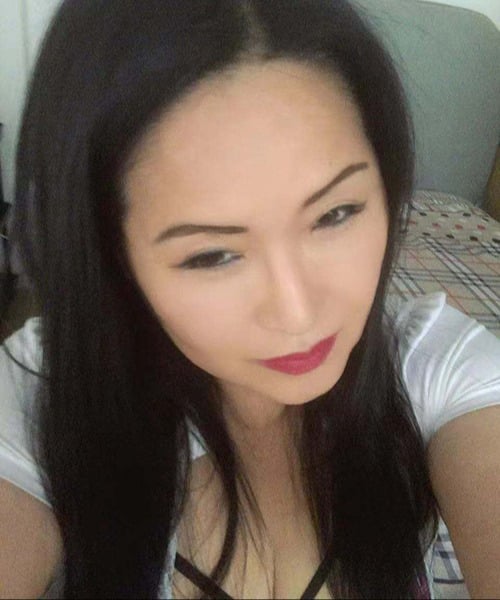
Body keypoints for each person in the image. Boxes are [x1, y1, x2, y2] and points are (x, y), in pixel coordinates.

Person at [0, 0, 499, 598]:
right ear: (110, 254)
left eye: (336, 213)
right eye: (212, 255)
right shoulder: (42, 395)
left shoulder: (435, 369)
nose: (298, 313)